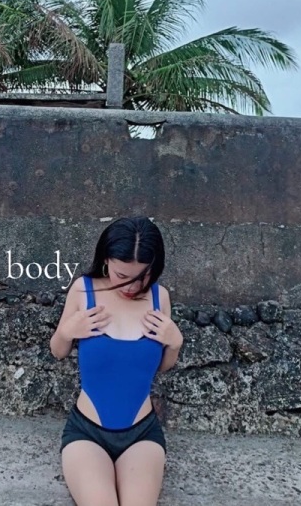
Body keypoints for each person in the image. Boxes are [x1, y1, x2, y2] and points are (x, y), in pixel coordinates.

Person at [50, 216, 184, 506]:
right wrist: (67, 331)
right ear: (106, 260)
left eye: (142, 276)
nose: (132, 286)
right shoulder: (83, 290)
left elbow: (161, 366)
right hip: (86, 433)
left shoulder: (160, 297)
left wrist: (175, 342)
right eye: (122, 275)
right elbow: (58, 351)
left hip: (142, 434)